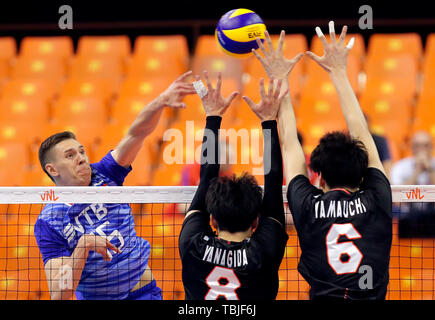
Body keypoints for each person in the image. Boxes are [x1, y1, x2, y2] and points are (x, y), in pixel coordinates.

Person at [253, 23, 392, 300]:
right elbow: (362, 132)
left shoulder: (308, 206)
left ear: (320, 178)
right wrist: (340, 73)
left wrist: (280, 78)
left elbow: (290, 146)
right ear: (363, 174)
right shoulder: (377, 197)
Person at [34, 71, 197, 300]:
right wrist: (83, 246)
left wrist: (160, 102)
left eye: (81, 151)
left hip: (144, 293)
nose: (81, 157)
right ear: (52, 169)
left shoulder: (105, 173)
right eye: (70, 155)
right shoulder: (49, 221)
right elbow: (61, 294)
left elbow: (136, 133)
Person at [178, 70, 289, 300]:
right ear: (256, 221)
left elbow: (207, 176)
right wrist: (269, 122)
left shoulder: (192, 244)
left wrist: (213, 116)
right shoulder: (265, 251)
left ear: (212, 220)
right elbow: (274, 179)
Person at [391, 130, 435, 237]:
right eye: (417, 145)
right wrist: (417, 171)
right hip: (408, 219)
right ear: (412, 148)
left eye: (425, 145)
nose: (421, 149)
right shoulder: (400, 166)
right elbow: (396, 200)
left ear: (432, 147)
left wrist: (429, 170)